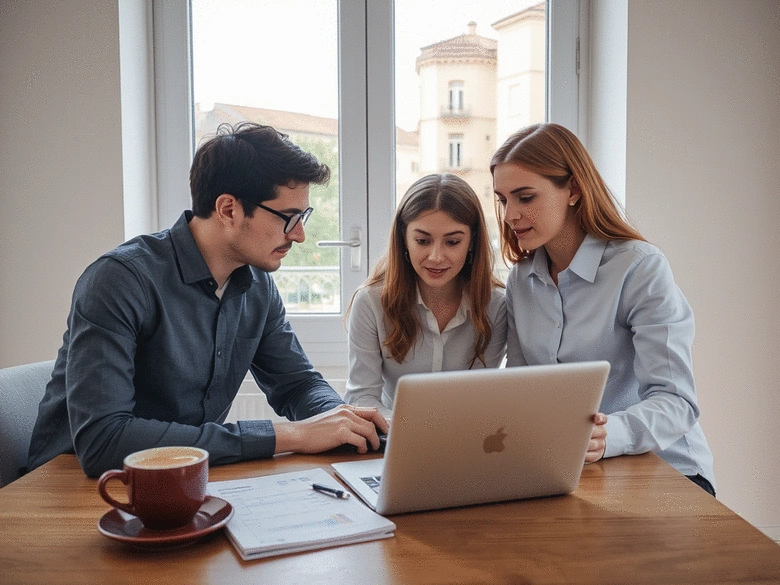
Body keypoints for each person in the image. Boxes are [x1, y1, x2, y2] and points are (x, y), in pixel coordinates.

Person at [27, 122, 388, 478]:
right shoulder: (120, 280)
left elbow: (297, 384)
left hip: (180, 480)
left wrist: (343, 422)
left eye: (303, 217)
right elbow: (104, 441)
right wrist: (288, 434)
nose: (300, 235)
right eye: (289, 218)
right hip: (75, 487)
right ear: (228, 209)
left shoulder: (257, 284)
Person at [491, 122, 715, 495]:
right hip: (572, 471)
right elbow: (521, 389)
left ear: (574, 190)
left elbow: (676, 402)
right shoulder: (521, 281)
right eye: (502, 199)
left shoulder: (639, 267)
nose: (510, 214)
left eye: (525, 197)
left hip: (667, 469)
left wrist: (605, 436)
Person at [344, 173, 507, 419]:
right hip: (393, 440)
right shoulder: (370, 302)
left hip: (467, 441)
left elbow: (482, 397)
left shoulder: (496, 305)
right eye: (422, 240)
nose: (436, 257)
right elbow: (361, 397)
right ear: (404, 238)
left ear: (472, 241)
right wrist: (408, 433)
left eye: (452, 242)